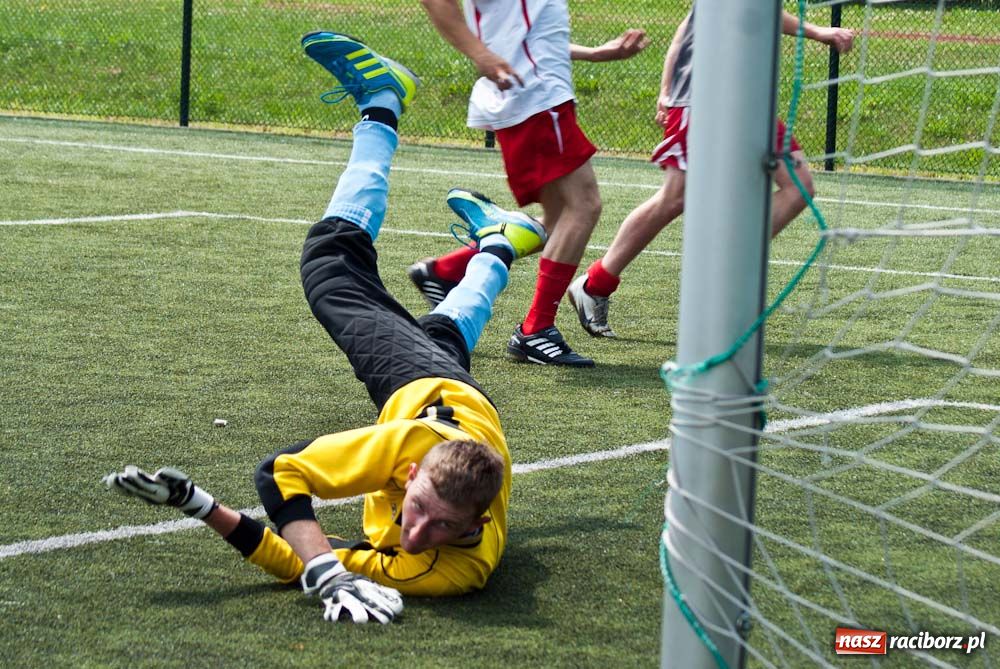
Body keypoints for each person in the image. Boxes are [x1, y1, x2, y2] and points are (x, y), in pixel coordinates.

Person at [104, 31, 548, 625]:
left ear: (477, 521)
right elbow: (279, 473)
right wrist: (327, 571)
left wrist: (198, 503)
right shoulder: (409, 448)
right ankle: (382, 104)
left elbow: (296, 561)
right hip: (425, 393)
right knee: (332, 263)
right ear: (407, 474)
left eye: (441, 524)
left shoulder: (454, 571)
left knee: (441, 331)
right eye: (419, 509)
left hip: (467, 407)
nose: (415, 535)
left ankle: (499, 244)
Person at [565, 7, 855, 338]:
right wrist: (820, 32)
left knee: (799, 186)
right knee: (675, 197)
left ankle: (726, 274)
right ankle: (596, 283)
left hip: (747, 102)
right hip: (700, 97)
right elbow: (698, 30)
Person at [408, 0, 649, 367]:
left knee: (557, 221)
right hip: (534, 96)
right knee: (582, 206)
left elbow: (526, 31)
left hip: (537, 93)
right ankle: (535, 330)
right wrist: (481, 55)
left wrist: (595, 53)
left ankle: (447, 271)